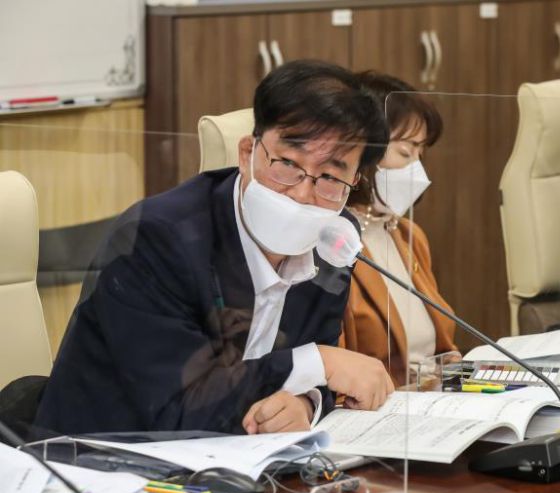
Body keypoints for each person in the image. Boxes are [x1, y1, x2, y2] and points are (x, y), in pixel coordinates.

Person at [35, 61, 394, 436]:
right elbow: (178, 409)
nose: (303, 193)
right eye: (288, 163)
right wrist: (316, 363)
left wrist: (304, 403)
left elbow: (315, 377)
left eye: (330, 177)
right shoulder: (156, 239)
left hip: (241, 459)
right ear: (247, 153)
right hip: (100, 456)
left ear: (353, 183)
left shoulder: (333, 241)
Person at [340, 72, 458, 385]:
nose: (417, 169)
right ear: (361, 151)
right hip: (381, 408)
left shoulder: (408, 235)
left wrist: (456, 369)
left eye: (421, 154)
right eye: (406, 152)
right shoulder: (333, 245)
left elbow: (442, 349)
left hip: (434, 398)